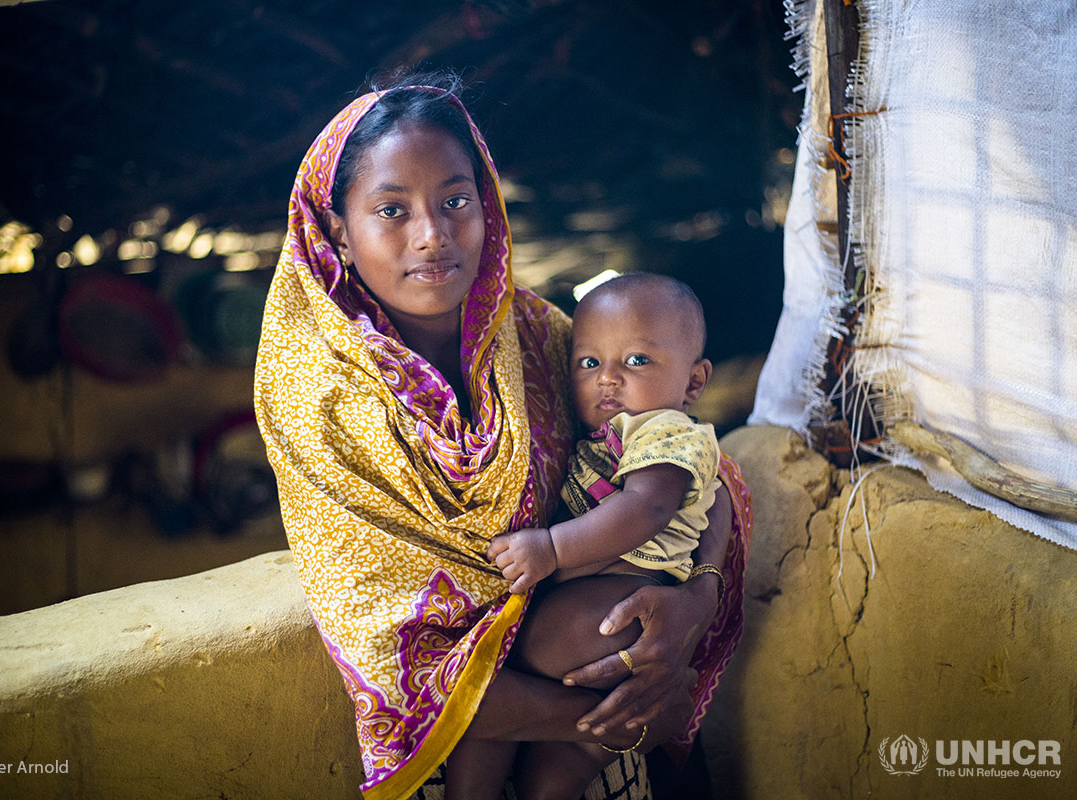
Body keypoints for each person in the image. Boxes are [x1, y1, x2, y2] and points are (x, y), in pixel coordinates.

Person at [254, 71, 752, 800]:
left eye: (456, 200)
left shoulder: (537, 337)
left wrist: (696, 603)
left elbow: (693, 466)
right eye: (392, 210)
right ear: (338, 232)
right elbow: (396, 659)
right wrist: (615, 714)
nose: (433, 235)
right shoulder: (317, 400)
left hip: (600, 732)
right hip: (470, 745)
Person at [473, 274, 724, 798]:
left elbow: (646, 506)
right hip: (607, 609)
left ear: (694, 383)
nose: (607, 379)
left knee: (494, 666)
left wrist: (552, 549)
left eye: (636, 361)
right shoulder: (610, 431)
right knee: (553, 776)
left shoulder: (666, 430)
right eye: (589, 363)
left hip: (622, 597)